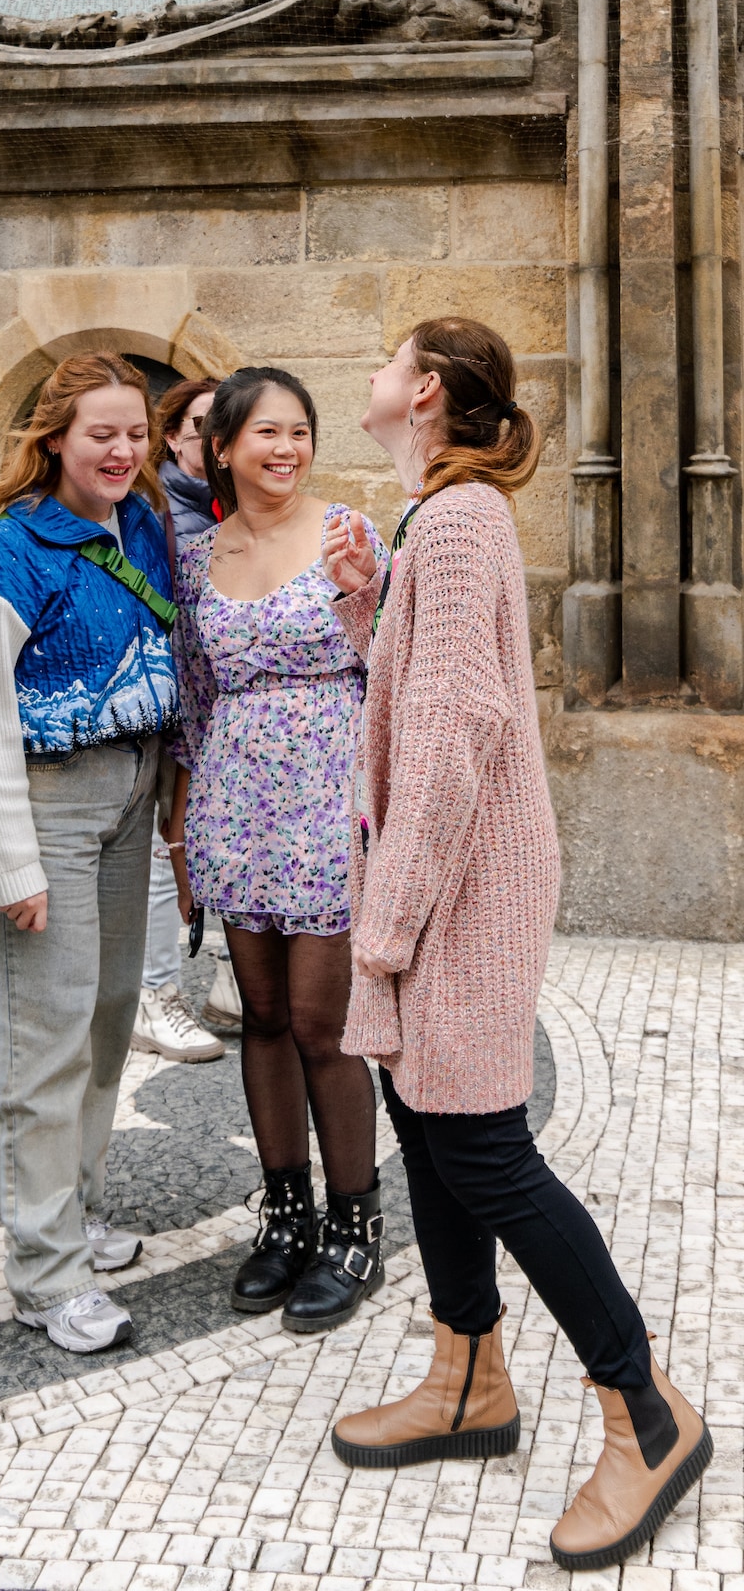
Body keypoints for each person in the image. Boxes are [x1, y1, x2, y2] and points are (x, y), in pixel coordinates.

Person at [324, 317, 712, 1570]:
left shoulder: (456, 520)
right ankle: (468, 1376)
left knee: (483, 1147)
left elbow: (451, 736)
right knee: (428, 1124)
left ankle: (645, 1415)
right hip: (445, 885)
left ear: (424, 393)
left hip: (458, 893)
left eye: (390, 361)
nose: (375, 378)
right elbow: (425, 691)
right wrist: (367, 604)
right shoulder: (438, 526)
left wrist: (387, 920)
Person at [0, 352, 178, 1354]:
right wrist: (13, 864)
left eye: (136, 433)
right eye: (101, 434)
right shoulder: (0, 558)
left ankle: (72, 1211)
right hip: (45, 805)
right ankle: (43, 1272)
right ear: (53, 441)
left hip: (128, 794)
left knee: (108, 1020)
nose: (122, 451)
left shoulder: (144, 532)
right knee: (42, 1041)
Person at [167, 366, 389, 1334]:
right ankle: (285, 1213)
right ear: (221, 447)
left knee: (318, 1021)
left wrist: (361, 604)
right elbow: (193, 698)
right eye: (264, 432)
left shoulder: (349, 534)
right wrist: (183, 829)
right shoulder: (192, 558)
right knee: (256, 1014)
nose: (286, 449)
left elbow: (396, 668)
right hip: (233, 797)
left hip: (328, 799)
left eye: (298, 431)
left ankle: (354, 1223)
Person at [131, 376, 228, 1063]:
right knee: (169, 847)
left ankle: (228, 982)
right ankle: (155, 994)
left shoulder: (228, 503)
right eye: (200, 426)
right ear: (173, 436)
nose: (213, 438)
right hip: (171, 706)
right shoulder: (157, 507)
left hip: (222, 708)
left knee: (215, 841)